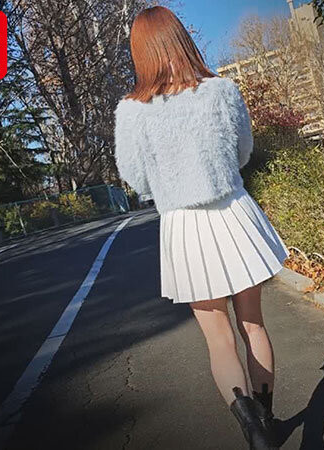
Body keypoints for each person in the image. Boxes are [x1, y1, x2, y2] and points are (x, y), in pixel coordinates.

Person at [113, 6, 287, 449]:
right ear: (181, 39)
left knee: (218, 339)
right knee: (253, 325)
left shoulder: (131, 112)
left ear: (140, 53)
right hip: (233, 214)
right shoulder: (221, 91)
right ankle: (267, 419)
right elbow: (243, 151)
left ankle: (253, 430)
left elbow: (136, 178)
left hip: (184, 227)